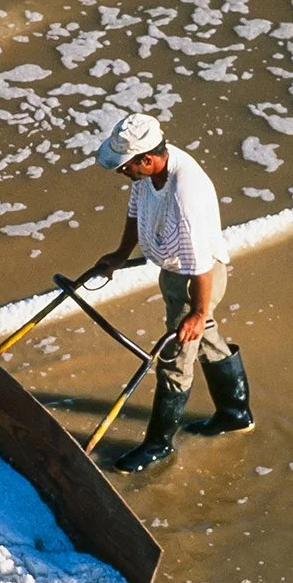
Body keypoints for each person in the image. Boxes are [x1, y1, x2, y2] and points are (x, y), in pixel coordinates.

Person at [83, 113, 254, 473]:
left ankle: (157, 445)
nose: (121, 172)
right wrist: (119, 255)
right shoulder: (148, 171)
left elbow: (201, 264)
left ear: (146, 159)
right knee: (205, 336)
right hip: (176, 271)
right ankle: (235, 413)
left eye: (124, 166)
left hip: (197, 278)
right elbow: (135, 213)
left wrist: (196, 311)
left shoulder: (184, 195)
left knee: (176, 360)